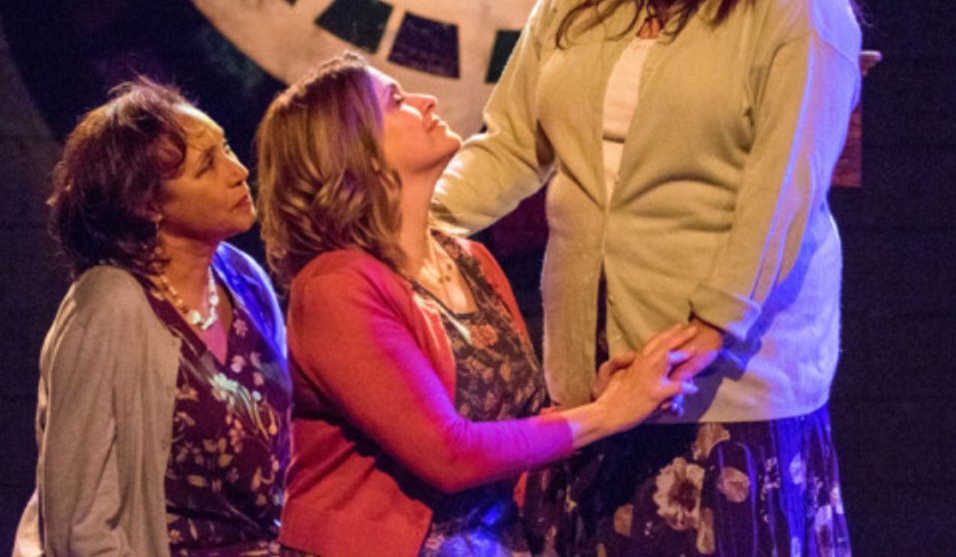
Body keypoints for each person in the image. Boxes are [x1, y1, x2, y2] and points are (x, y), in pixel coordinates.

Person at [433, 0, 862, 555]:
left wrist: (715, 322)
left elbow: (785, 184)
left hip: (726, 396)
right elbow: (511, 144)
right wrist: (404, 224)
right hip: (592, 388)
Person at [253, 52, 697, 557]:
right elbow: (449, 455)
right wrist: (608, 412)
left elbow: (516, 424)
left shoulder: (472, 261)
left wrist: (592, 400)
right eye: (396, 101)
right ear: (356, 151)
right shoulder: (336, 286)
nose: (426, 101)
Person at [13, 81, 290, 557]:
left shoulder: (243, 279)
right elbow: (80, 519)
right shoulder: (110, 304)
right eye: (208, 166)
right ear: (148, 204)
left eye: (224, 148)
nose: (240, 171)